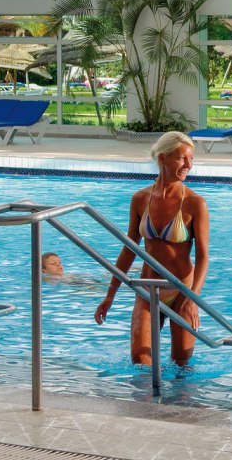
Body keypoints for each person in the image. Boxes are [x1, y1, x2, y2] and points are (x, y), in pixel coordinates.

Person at [94, 132, 209, 366]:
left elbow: (203, 257)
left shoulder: (195, 203)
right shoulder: (140, 199)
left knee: (181, 363)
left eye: (191, 159)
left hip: (182, 290)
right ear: (162, 158)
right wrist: (110, 295)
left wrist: (193, 299)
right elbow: (129, 250)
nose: (188, 165)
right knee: (140, 359)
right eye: (182, 158)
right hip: (148, 288)